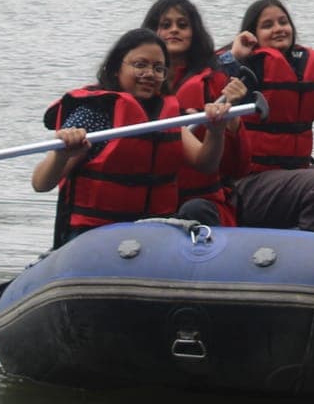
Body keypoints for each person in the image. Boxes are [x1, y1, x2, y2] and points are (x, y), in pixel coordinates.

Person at [31, 28, 236, 247]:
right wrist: (62, 155)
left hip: (152, 236)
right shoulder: (93, 114)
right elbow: (40, 183)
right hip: (93, 238)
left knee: (196, 211)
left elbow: (205, 163)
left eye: (158, 68)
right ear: (116, 68)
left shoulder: (164, 116)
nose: (150, 74)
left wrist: (215, 132)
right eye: (140, 65)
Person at [219, 0, 314, 236]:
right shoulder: (244, 71)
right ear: (252, 35)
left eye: (283, 22)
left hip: (293, 177)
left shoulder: (301, 77)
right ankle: (313, 253)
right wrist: (234, 57)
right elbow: (212, 76)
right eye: (268, 25)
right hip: (248, 185)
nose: (278, 29)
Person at [143, 0, 249, 226]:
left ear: (194, 33)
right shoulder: (140, 86)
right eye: (165, 25)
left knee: (194, 209)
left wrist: (231, 123)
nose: (174, 30)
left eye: (182, 25)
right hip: (154, 201)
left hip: (203, 201)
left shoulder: (216, 83)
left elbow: (237, 167)